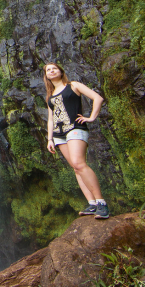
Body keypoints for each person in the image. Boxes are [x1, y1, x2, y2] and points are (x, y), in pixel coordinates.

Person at [43, 62, 109, 219]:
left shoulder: (73, 86)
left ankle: (101, 203)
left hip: (75, 128)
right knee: (75, 168)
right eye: (48, 70)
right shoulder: (50, 96)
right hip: (59, 135)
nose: (51, 71)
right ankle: (92, 203)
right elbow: (50, 119)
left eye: (54, 68)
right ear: (46, 75)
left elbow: (97, 98)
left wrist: (91, 117)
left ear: (60, 71)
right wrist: (49, 139)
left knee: (79, 164)